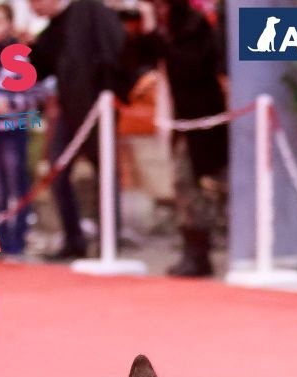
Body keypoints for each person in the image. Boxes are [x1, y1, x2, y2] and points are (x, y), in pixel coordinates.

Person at [28, 0, 131, 259]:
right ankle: (74, 239)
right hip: (68, 110)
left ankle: (110, 238)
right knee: (57, 171)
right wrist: (28, 47)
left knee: (105, 172)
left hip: (98, 107)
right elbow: (41, 68)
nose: (33, 7)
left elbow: (116, 51)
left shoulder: (91, 11)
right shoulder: (52, 28)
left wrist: (110, 95)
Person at [140, 0, 228, 276]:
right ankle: (194, 249)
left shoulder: (195, 27)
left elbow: (192, 66)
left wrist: (160, 38)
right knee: (184, 183)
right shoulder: (165, 31)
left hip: (203, 118)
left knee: (190, 182)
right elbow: (139, 57)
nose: (159, 10)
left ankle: (199, 252)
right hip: (181, 120)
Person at [0, 1, 53, 256]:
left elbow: (37, 93)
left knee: (15, 180)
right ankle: (1, 233)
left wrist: (10, 104)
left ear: (9, 24)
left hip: (13, 127)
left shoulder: (19, 55)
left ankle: (18, 235)